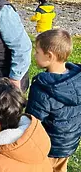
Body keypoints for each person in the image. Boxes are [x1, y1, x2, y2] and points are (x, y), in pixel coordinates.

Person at [25, 29, 81, 172]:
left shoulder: (43, 87)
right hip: (69, 143)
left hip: (49, 145)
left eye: (37, 52)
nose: (35, 55)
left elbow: (34, 121)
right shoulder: (77, 78)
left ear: (49, 56)